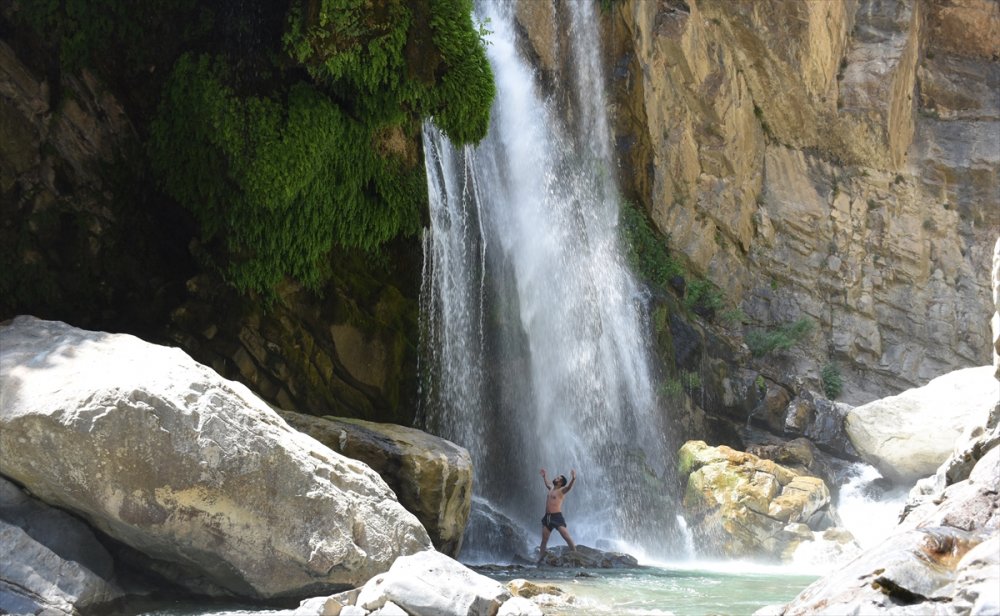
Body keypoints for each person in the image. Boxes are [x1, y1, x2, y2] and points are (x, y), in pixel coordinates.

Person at [538, 468, 576, 562]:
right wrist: (544, 476)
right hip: (547, 517)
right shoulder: (551, 488)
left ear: (560, 483)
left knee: (566, 536)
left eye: (558, 478)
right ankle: (540, 559)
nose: (556, 478)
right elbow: (547, 484)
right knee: (544, 540)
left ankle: (576, 555)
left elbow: (569, 488)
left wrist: (573, 479)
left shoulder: (561, 491)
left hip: (557, 517)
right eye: (557, 477)